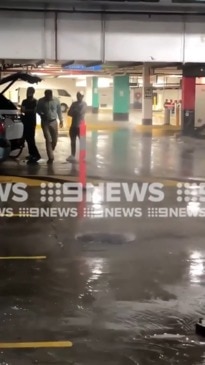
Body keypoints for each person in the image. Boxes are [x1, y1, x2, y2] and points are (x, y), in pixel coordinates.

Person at [36, 90, 63, 164]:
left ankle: (51, 149)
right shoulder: (41, 101)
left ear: (51, 95)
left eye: (49, 96)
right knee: (48, 139)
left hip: (54, 121)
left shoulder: (56, 100)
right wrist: (41, 114)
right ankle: (51, 157)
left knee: (54, 140)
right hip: (45, 122)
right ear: (45, 95)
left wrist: (61, 120)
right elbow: (37, 110)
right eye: (47, 96)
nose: (48, 97)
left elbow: (59, 111)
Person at [21, 87, 41, 164]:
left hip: (32, 122)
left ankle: (36, 155)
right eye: (28, 91)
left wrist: (27, 110)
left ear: (33, 92)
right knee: (27, 138)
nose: (28, 93)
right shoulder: (24, 101)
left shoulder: (36, 101)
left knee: (31, 139)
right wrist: (30, 110)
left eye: (30, 92)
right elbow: (23, 110)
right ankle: (31, 154)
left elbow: (34, 111)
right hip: (26, 121)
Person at [67, 91, 87, 162]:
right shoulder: (74, 103)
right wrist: (74, 111)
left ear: (82, 97)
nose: (79, 97)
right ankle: (72, 155)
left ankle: (82, 156)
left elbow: (80, 113)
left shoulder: (84, 104)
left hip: (81, 126)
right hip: (73, 125)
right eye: (78, 96)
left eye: (81, 96)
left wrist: (74, 111)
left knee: (82, 141)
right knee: (73, 141)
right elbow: (69, 113)